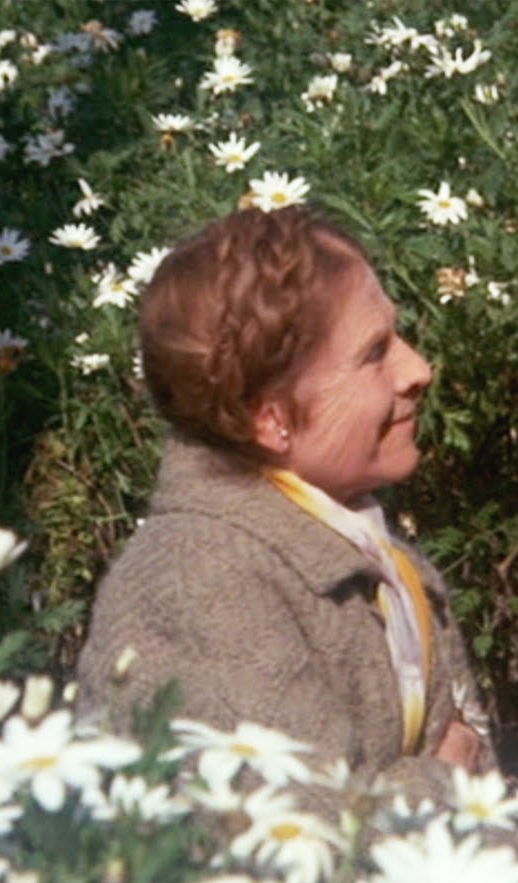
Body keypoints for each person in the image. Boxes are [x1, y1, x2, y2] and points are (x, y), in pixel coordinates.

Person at [76, 206, 491, 807]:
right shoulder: (202, 584)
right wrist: (447, 781)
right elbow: (292, 847)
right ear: (269, 417)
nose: (418, 370)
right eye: (375, 353)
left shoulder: (360, 551)